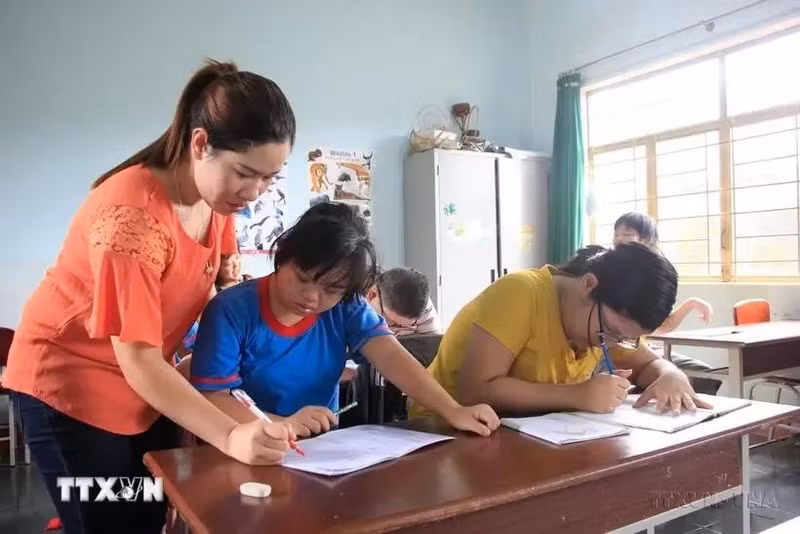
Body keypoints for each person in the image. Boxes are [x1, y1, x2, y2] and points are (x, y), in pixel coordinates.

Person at [2, 59, 299, 534]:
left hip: (144, 386)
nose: (255, 192)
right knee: (108, 518)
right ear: (200, 144)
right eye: (246, 172)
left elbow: (227, 292)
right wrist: (230, 434)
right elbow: (138, 359)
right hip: (70, 387)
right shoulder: (131, 218)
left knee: (152, 504)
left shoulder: (216, 200)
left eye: (269, 178)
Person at [189, 202, 499, 439]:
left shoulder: (345, 307)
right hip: (245, 445)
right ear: (282, 255)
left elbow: (391, 356)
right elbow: (212, 397)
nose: (312, 298)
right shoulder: (231, 310)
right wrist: (281, 424)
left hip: (320, 450)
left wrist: (453, 410)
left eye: (332, 289)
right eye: (302, 278)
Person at [409, 243, 712, 417]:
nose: (610, 344)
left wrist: (672, 376)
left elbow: (648, 364)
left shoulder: (604, 322)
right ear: (589, 284)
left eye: (624, 340)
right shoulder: (521, 293)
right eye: (610, 332)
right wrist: (577, 395)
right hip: (441, 430)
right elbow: (475, 390)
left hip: (520, 436)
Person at [613, 212, 722, 395]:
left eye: (627, 236)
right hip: (621, 351)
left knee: (706, 375)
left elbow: (661, 326)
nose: (619, 243)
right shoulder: (613, 274)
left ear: (648, 240)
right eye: (616, 237)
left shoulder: (655, 277)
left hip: (644, 350)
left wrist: (691, 303)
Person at [364, 267, 442, 336]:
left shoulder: (421, 306)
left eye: (407, 326)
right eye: (391, 322)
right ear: (372, 295)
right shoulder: (355, 306)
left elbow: (432, 346)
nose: (397, 330)